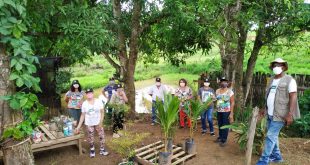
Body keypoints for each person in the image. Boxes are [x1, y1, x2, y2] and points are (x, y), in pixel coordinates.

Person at [256, 58, 300, 165]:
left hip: (281, 114)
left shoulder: (289, 80)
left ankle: (263, 160)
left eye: (279, 65)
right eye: (275, 65)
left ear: (284, 67)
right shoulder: (271, 79)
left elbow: (293, 96)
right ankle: (277, 157)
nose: (277, 67)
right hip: (270, 113)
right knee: (273, 136)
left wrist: (290, 114)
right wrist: (264, 108)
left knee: (270, 136)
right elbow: (269, 96)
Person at [76, 88, 109, 158]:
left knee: (101, 136)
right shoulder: (84, 104)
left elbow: (102, 112)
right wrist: (78, 126)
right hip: (89, 123)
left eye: (90, 93)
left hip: (98, 122)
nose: (89, 94)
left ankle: (102, 149)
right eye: (87, 93)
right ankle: (92, 149)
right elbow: (82, 115)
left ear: (93, 93)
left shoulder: (98, 101)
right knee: (90, 137)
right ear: (86, 95)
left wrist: (101, 122)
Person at [215, 77, 234, 147]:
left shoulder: (230, 92)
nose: (223, 83)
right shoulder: (217, 91)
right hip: (219, 110)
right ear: (220, 83)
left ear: (227, 83)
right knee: (220, 124)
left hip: (226, 111)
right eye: (222, 81)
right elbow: (216, 99)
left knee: (225, 125)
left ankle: (224, 140)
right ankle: (220, 137)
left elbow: (232, 102)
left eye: (225, 81)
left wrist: (231, 113)